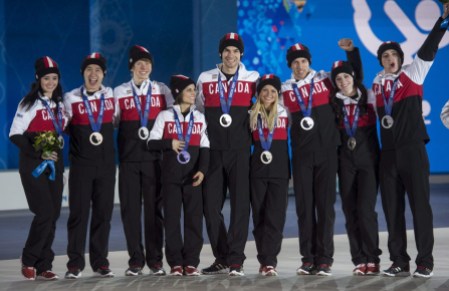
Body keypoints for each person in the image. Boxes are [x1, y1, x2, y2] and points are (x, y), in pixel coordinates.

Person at [371, 2, 449, 278]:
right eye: (385, 55)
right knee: (392, 210)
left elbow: (428, 50)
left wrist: (442, 20)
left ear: (400, 58)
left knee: (420, 208)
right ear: (380, 61)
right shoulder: (377, 85)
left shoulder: (412, 73)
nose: (390, 58)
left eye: (394, 54)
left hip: (413, 149)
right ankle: (398, 260)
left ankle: (424, 261)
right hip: (388, 154)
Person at [280, 39, 361, 276]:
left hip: (327, 152)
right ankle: (308, 258)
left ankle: (324, 259)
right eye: (295, 62)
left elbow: (352, 74)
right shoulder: (285, 90)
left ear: (309, 62)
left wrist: (352, 53)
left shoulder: (325, 79)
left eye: (303, 61)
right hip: (302, 155)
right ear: (290, 66)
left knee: (325, 208)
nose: (299, 65)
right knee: (304, 209)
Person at [196, 32, 259, 276]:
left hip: (241, 151)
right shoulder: (205, 78)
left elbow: (262, 105)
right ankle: (222, 256)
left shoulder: (252, 78)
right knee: (210, 208)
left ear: (241, 54)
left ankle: (236, 260)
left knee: (240, 208)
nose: (230, 55)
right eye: (227, 51)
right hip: (212, 152)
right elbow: (200, 111)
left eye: (235, 51)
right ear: (220, 53)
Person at [114, 45, 174, 276]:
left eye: (147, 63)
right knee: (130, 212)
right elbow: (113, 121)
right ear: (131, 66)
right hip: (129, 160)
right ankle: (135, 260)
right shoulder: (119, 92)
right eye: (139, 63)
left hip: (154, 160)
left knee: (154, 211)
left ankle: (156, 260)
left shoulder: (162, 90)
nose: (143, 67)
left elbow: (172, 118)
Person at [9, 56, 66, 280]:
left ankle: (44, 265)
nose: (50, 82)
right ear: (38, 79)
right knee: (44, 212)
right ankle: (29, 259)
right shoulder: (28, 103)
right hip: (34, 165)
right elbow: (14, 134)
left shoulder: (61, 105)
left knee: (53, 215)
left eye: (54, 78)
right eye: (46, 78)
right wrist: (38, 151)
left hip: (56, 165)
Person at [147, 74, 210, 276]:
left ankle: (191, 262)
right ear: (178, 92)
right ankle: (175, 263)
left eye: (194, 90)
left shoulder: (199, 117)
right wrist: (169, 143)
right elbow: (151, 142)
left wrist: (202, 170)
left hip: (193, 178)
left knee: (194, 221)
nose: (194, 93)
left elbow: (205, 148)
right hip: (171, 178)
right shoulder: (165, 117)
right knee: (172, 221)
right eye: (190, 90)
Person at [64, 52, 116, 279]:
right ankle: (74, 263)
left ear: (104, 74)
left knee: (103, 215)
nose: (93, 75)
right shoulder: (71, 98)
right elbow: (63, 126)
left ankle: (100, 262)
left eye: (97, 70)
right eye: (89, 70)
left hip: (106, 166)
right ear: (83, 74)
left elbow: (119, 122)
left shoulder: (111, 96)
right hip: (81, 165)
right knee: (78, 214)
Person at [330, 61, 382, 275]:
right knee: (350, 211)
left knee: (366, 210)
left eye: (346, 77)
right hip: (345, 164)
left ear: (353, 77)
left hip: (369, 162)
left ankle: (373, 258)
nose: (343, 82)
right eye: (338, 79)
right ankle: (359, 259)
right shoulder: (334, 103)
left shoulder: (370, 97)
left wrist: (352, 53)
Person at [249, 74, 290, 276]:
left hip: (279, 173)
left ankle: (270, 261)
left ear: (278, 94)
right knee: (259, 217)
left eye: (273, 91)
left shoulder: (285, 114)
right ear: (258, 93)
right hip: (256, 173)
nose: (269, 94)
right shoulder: (251, 115)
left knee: (275, 217)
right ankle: (263, 259)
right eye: (265, 90)